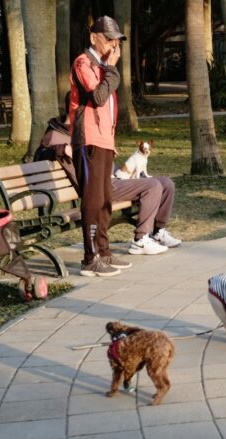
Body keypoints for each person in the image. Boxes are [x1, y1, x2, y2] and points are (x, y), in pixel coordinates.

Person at [35, 115, 182, 256]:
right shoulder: (55, 135)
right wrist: (60, 149)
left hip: (112, 175)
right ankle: (141, 240)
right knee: (153, 185)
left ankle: (157, 232)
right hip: (98, 186)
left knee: (166, 183)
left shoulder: (83, 129)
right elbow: (40, 156)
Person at [69, 16, 132, 277]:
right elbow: (98, 96)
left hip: (103, 141)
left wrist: (111, 141)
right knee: (93, 200)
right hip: (88, 141)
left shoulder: (104, 67)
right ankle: (90, 258)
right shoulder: (84, 62)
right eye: (109, 38)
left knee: (105, 199)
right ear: (94, 37)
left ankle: (103, 252)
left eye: (116, 40)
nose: (113, 44)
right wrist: (113, 69)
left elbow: (108, 109)